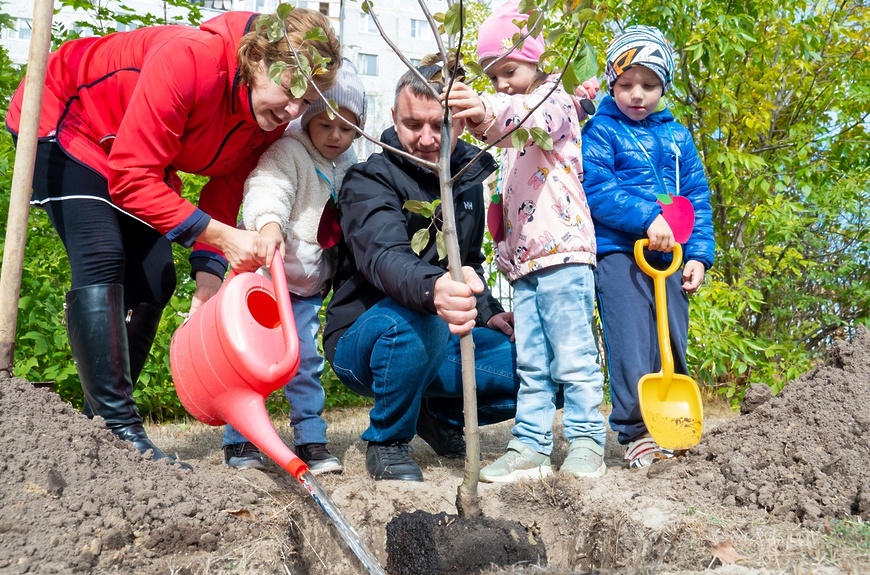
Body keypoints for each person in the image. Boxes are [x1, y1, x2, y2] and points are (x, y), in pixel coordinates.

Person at [4, 9, 341, 466]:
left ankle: (96, 431)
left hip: (135, 150)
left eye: (306, 101)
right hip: (68, 118)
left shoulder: (269, 115)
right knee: (103, 254)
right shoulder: (191, 61)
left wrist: (209, 281)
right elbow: (130, 179)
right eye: (289, 92)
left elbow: (223, 192)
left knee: (156, 280)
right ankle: (118, 427)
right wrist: (223, 239)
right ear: (258, 60)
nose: (293, 112)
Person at [322, 63, 521, 482]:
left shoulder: (465, 182)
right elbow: (383, 257)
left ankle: (434, 414)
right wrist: (435, 290)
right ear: (393, 119)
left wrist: (489, 314)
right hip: (369, 337)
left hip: (441, 335)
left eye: (440, 125)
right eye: (413, 124)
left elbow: (468, 263)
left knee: (545, 362)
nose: (427, 139)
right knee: (422, 317)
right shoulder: (369, 178)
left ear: (462, 122)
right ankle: (387, 441)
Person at [447, 0, 607, 482]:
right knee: (531, 363)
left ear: (535, 59)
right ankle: (531, 446)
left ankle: (585, 441)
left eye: (508, 71)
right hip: (526, 264)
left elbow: (527, 118)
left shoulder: (553, 99)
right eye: (491, 77)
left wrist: (489, 107)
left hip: (564, 253)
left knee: (574, 356)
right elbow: (504, 129)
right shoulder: (511, 118)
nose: (500, 84)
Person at [221, 61, 366, 474]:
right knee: (255, 361)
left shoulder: (354, 162)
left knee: (304, 360)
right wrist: (268, 226)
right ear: (307, 119)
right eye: (325, 125)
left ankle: (311, 439)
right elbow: (269, 186)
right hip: (267, 280)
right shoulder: (289, 151)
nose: (336, 135)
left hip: (305, 289)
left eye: (347, 126)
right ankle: (241, 439)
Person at [580, 25, 715, 468]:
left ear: (664, 85)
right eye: (626, 84)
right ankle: (636, 430)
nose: (637, 94)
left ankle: (671, 428)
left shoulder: (678, 137)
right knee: (632, 338)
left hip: (671, 256)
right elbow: (597, 189)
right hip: (620, 253)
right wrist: (646, 218)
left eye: (649, 84)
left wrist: (698, 254)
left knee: (672, 336)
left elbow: (695, 197)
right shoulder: (601, 130)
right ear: (612, 83)